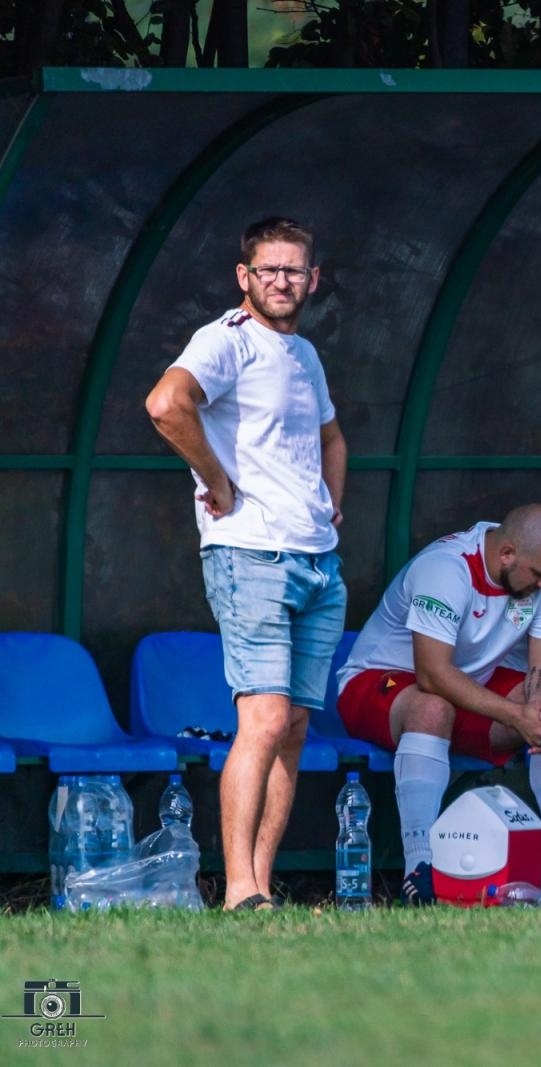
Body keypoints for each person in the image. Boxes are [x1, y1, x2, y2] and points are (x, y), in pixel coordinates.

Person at [145, 217, 347, 912]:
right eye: (269, 270)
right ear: (244, 276)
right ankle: (235, 889)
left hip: (317, 559)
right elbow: (167, 404)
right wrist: (216, 479)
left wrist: (330, 506)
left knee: (292, 726)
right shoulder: (226, 338)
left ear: (313, 279)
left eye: (294, 270)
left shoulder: (304, 354)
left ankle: (261, 885)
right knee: (261, 720)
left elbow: (331, 435)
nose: (282, 281)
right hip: (250, 552)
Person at [335, 504, 541, 903]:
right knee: (432, 707)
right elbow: (432, 674)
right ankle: (419, 868)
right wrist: (513, 715)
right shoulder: (446, 568)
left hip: (466, 686)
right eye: (538, 575)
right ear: (507, 554)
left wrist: (536, 705)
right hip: (378, 682)